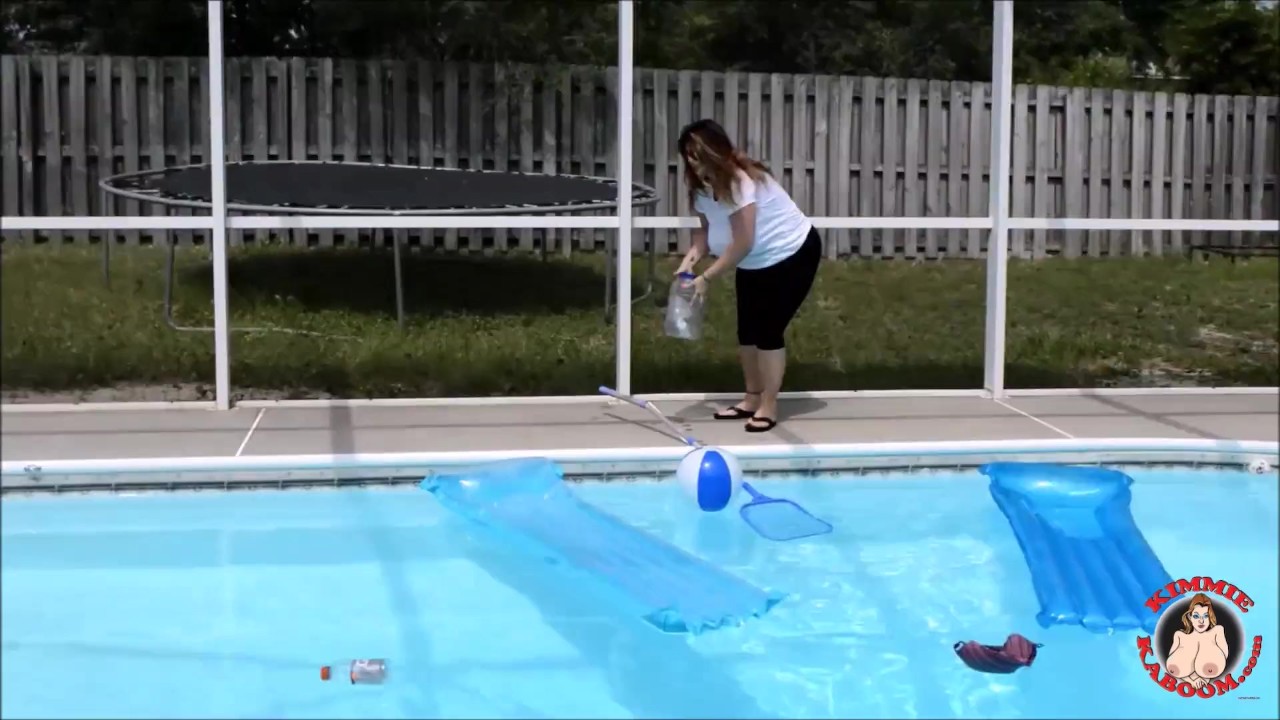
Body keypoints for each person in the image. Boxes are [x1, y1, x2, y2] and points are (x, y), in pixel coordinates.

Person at [674, 118, 822, 433]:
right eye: (688, 154)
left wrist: (707, 277)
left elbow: (743, 241)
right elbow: (704, 233)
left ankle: (769, 404)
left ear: (715, 151)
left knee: (768, 331)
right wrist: (690, 261)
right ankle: (751, 398)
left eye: (697, 154)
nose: (692, 161)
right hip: (753, 260)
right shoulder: (701, 190)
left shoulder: (740, 183)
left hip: (792, 253)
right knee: (747, 332)